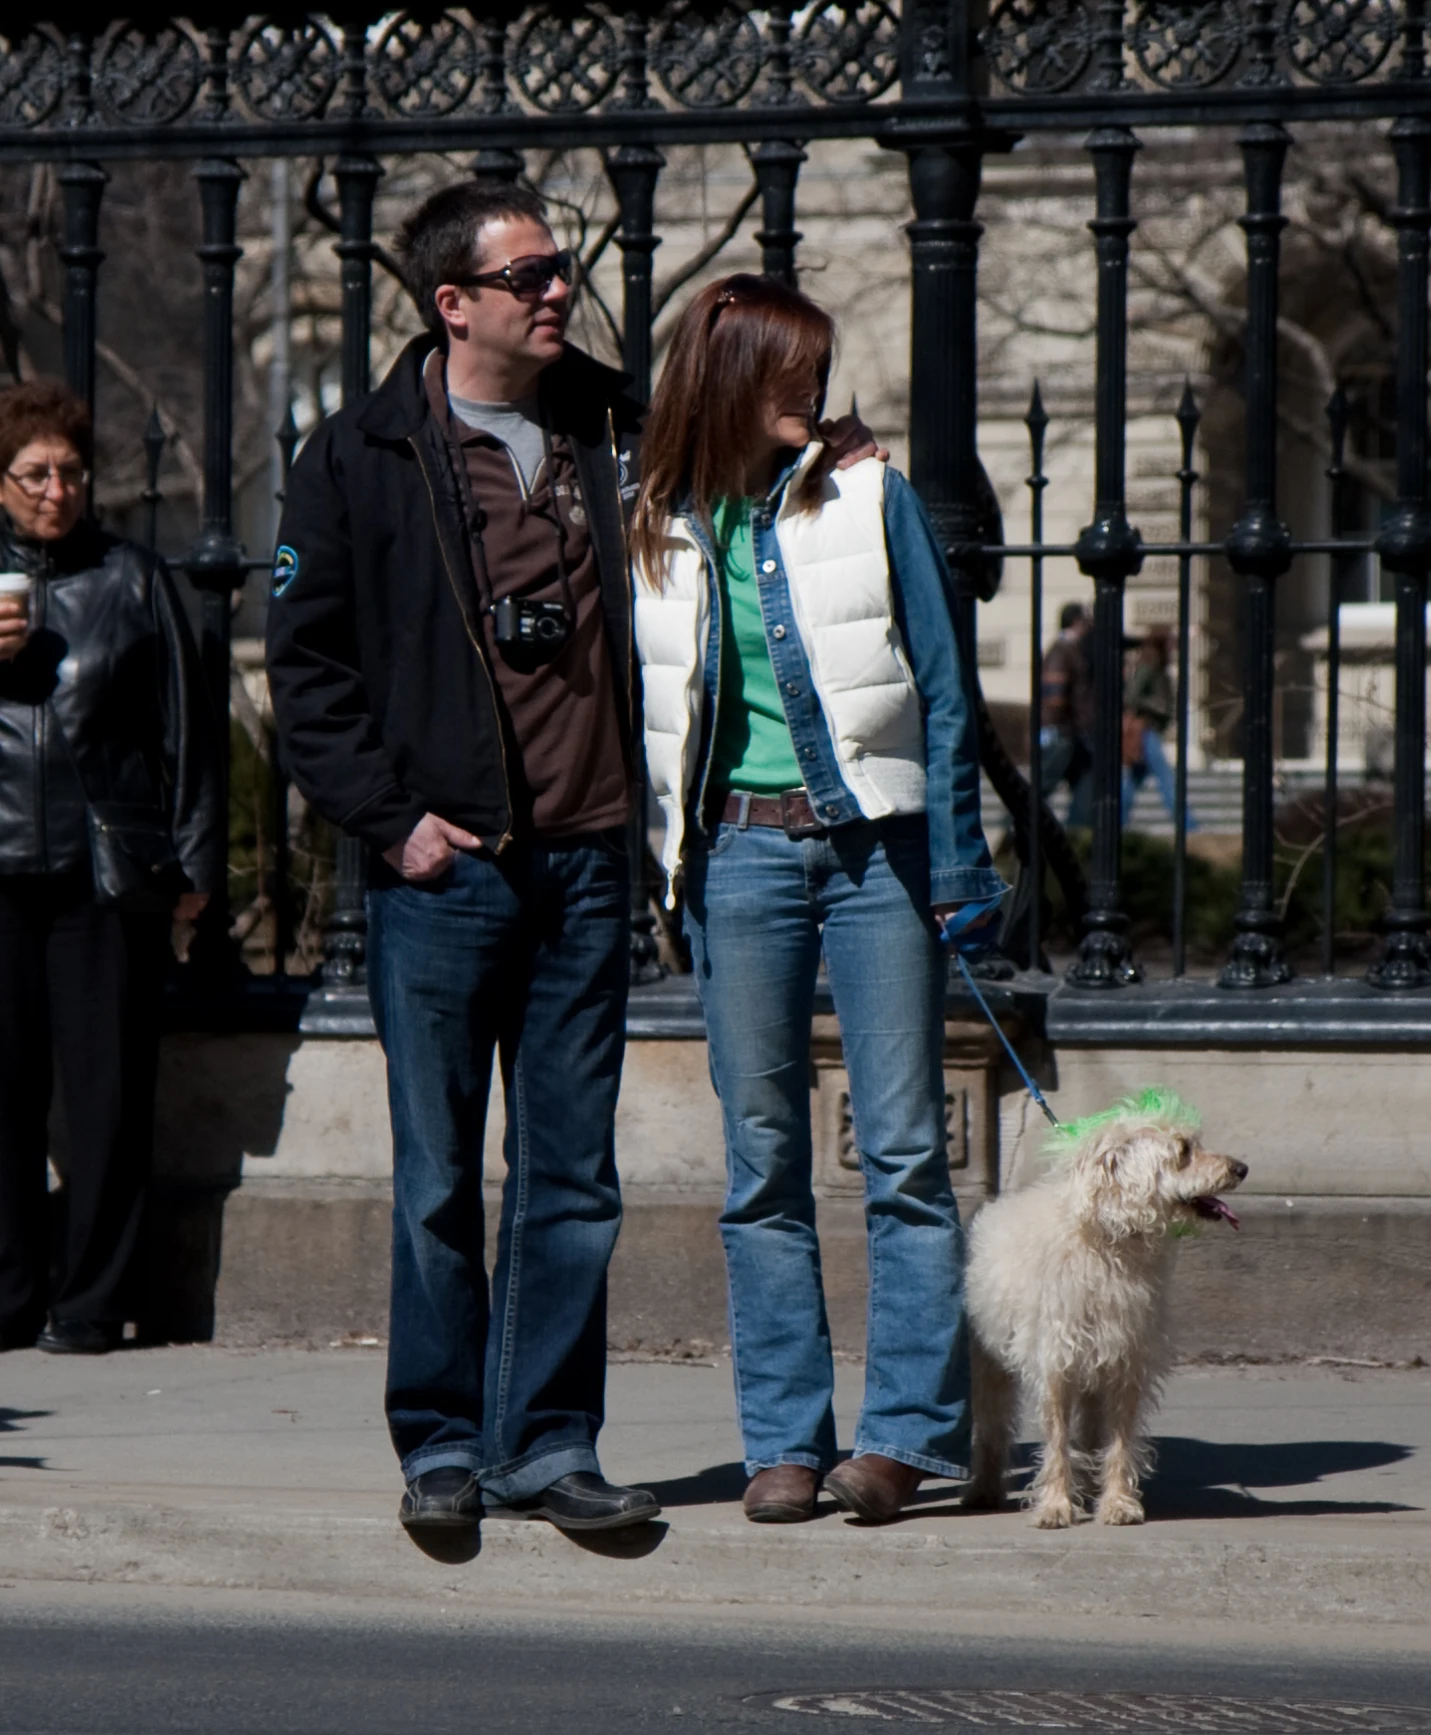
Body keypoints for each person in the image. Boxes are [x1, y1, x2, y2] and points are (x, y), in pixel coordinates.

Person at [265, 183, 875, 1536]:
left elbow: (763, 480)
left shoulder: (614, 425)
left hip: (587, 863)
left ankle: (546, 1444)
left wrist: (834, 441)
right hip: (442, 874)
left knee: (573, 1178)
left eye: (562, 268)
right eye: (529, 272)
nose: (558, 290)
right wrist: (396, 820)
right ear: (453, 303)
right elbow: (306, 674)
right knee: (437, 1177)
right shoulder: (358, 453)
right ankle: (441, 1446)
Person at [632, 274, 1005, 1526]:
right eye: (792, 369)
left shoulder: (869, 496)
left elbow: (945, 689)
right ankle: (783, 1444)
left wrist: (958, 865)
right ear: (730, 375)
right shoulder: (649, 518)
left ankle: (903, 1437)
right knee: (763, 1162)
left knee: (904, 1151)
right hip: (736, 859)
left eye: (820, 367)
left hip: (877, 857)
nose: (816, 389)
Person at [0, 380, 215, 1357]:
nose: (56, 491)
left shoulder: (133, 577)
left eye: (69, 471)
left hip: (103, 872)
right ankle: (0, 1304)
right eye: (34, 475)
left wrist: (192, 864)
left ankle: (95, 1305)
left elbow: (184, 728)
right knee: (6, 1093)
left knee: (105, 1093)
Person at [1119, 625, 1198, 833]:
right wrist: (1157, 706)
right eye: (1170, 641)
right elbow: (1131, 696)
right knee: (1166, 778)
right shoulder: (1149, 663)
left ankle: (1117, 821)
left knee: (1133, 782)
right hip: (1146, 730)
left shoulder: (1157, 663)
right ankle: (1188, 825)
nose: (1173, 647)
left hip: (1151, 729)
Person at [1039, 600, 1093, 822]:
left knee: (1085, 786)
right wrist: (1059, 726)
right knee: (1043, 785)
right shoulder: (1062, 651)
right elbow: (1054, 693)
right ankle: (1011, 829)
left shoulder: (1071, 650)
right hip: (1062, 733)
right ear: (1076, 622)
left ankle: (1076, 836)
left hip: (1072, 732)